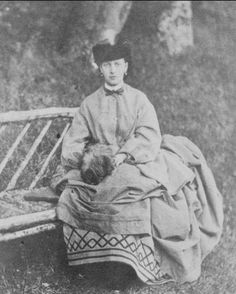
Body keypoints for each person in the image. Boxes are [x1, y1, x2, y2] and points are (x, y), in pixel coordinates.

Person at [56, 38, 224, 287]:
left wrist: (124, 155)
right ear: (99, 69)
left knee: (135, 187)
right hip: (101, 164)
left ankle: (133, 266)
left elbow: (148, 136)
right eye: (106, 65)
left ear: (125, 67)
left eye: (117, 64)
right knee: (88, 191)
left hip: (137, 159)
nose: (112, 70)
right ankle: (102, 265)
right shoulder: (89, 104)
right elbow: (73, 143)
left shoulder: (139, 100)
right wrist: (91, 158)